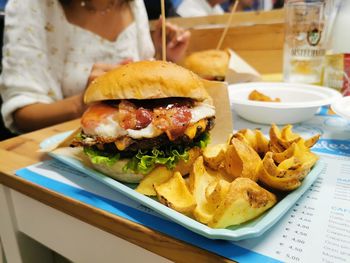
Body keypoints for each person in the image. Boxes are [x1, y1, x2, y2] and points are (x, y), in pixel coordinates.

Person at [0, 0, 190, 133]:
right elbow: (21, 115)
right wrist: (82, 103)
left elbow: (138, 94)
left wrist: (161, 55)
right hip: (53, 159)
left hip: (131, 141)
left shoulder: (134, 3)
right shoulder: (31, 5)